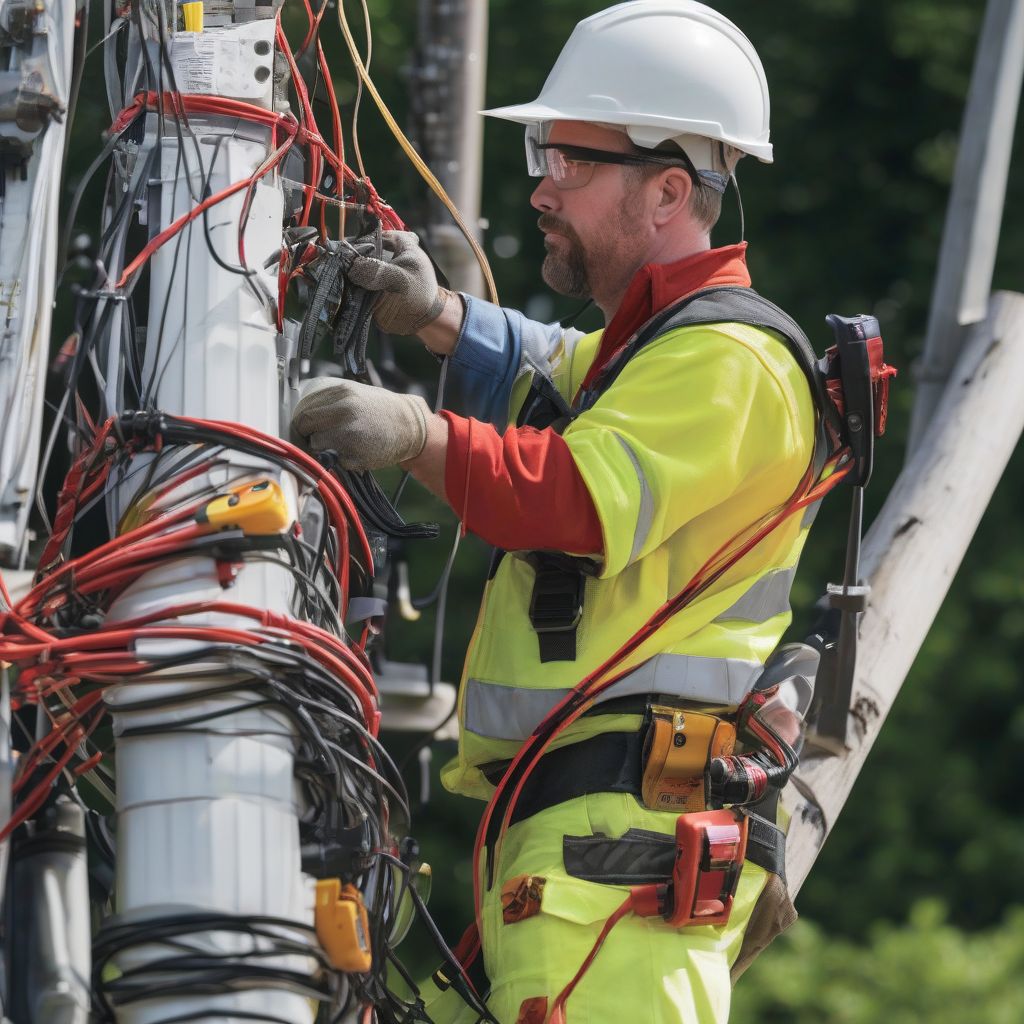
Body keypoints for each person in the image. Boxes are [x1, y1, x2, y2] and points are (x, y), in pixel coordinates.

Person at [294, 3, 818, 1021]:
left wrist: (414, 431)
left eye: (568, 159)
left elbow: (568, 496)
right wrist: (440, 316)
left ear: (670, 189)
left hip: (619, 860)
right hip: (580, 851)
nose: (539, 185)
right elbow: (553, 369)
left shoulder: (729, 362)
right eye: (544, 152)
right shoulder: (654, 353)